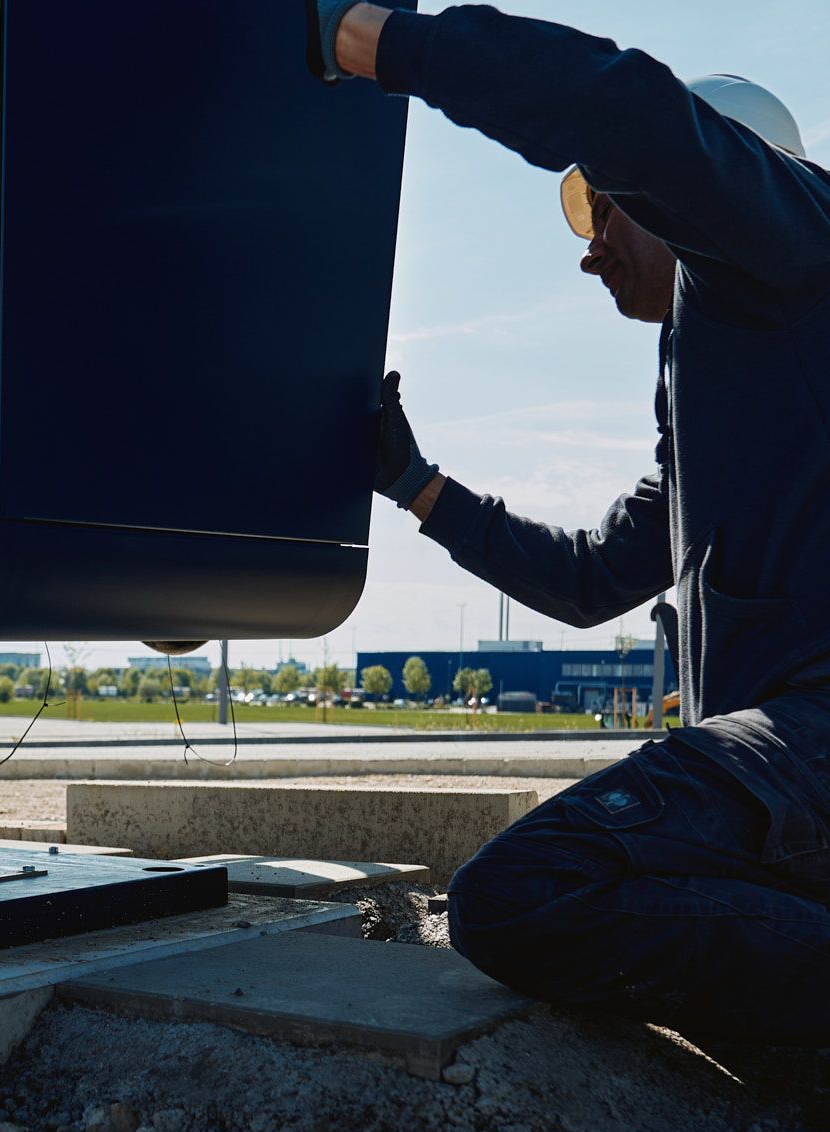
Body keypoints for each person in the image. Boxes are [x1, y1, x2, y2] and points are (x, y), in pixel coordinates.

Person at [308, 3, 830, 1042]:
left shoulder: (787, 228)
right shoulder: (726, 374)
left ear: (692, 194)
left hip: (808, 745)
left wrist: (371, 40)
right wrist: (419, 487)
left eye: (607, 213)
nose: (591, 252)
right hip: (785, 768)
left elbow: (622, 109)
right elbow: (595, 579)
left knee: (521, 892)